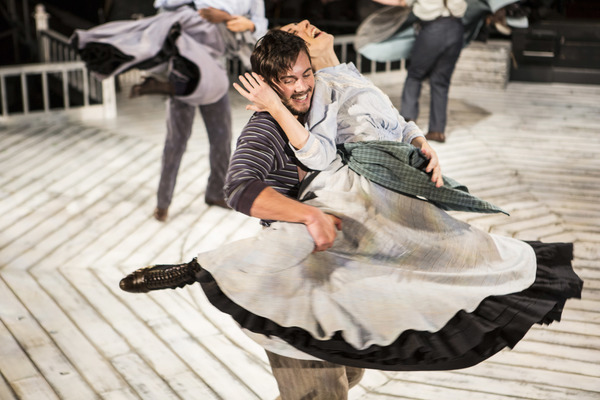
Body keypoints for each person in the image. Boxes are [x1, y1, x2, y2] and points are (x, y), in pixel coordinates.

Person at [119, 25, 582, 399]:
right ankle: (191, 270)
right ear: (268, 82)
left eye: (305, 74)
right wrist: (307, 213)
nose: (300, 85)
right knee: (316, 387)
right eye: (288, 79)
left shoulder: (336, 82)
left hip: (348, 249)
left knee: (423, 266)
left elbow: (390, 122)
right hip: (300, 276)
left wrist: (418, 143)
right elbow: (241, 188)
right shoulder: (267, 127)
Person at [71, 1, 268, 221]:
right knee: (176, 141)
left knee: (222, 138)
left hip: (214, 71)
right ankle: (163, 202)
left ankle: (215, 193)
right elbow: (163, 7)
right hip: (184, 66)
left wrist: (240, 21)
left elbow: (260, 24)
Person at [371, 0, 467, 143]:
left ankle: (408, 124)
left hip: (433, 29)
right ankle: (437, 131)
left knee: (415, 75)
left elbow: (401, 1)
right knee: (440, 81)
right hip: (456, 29)